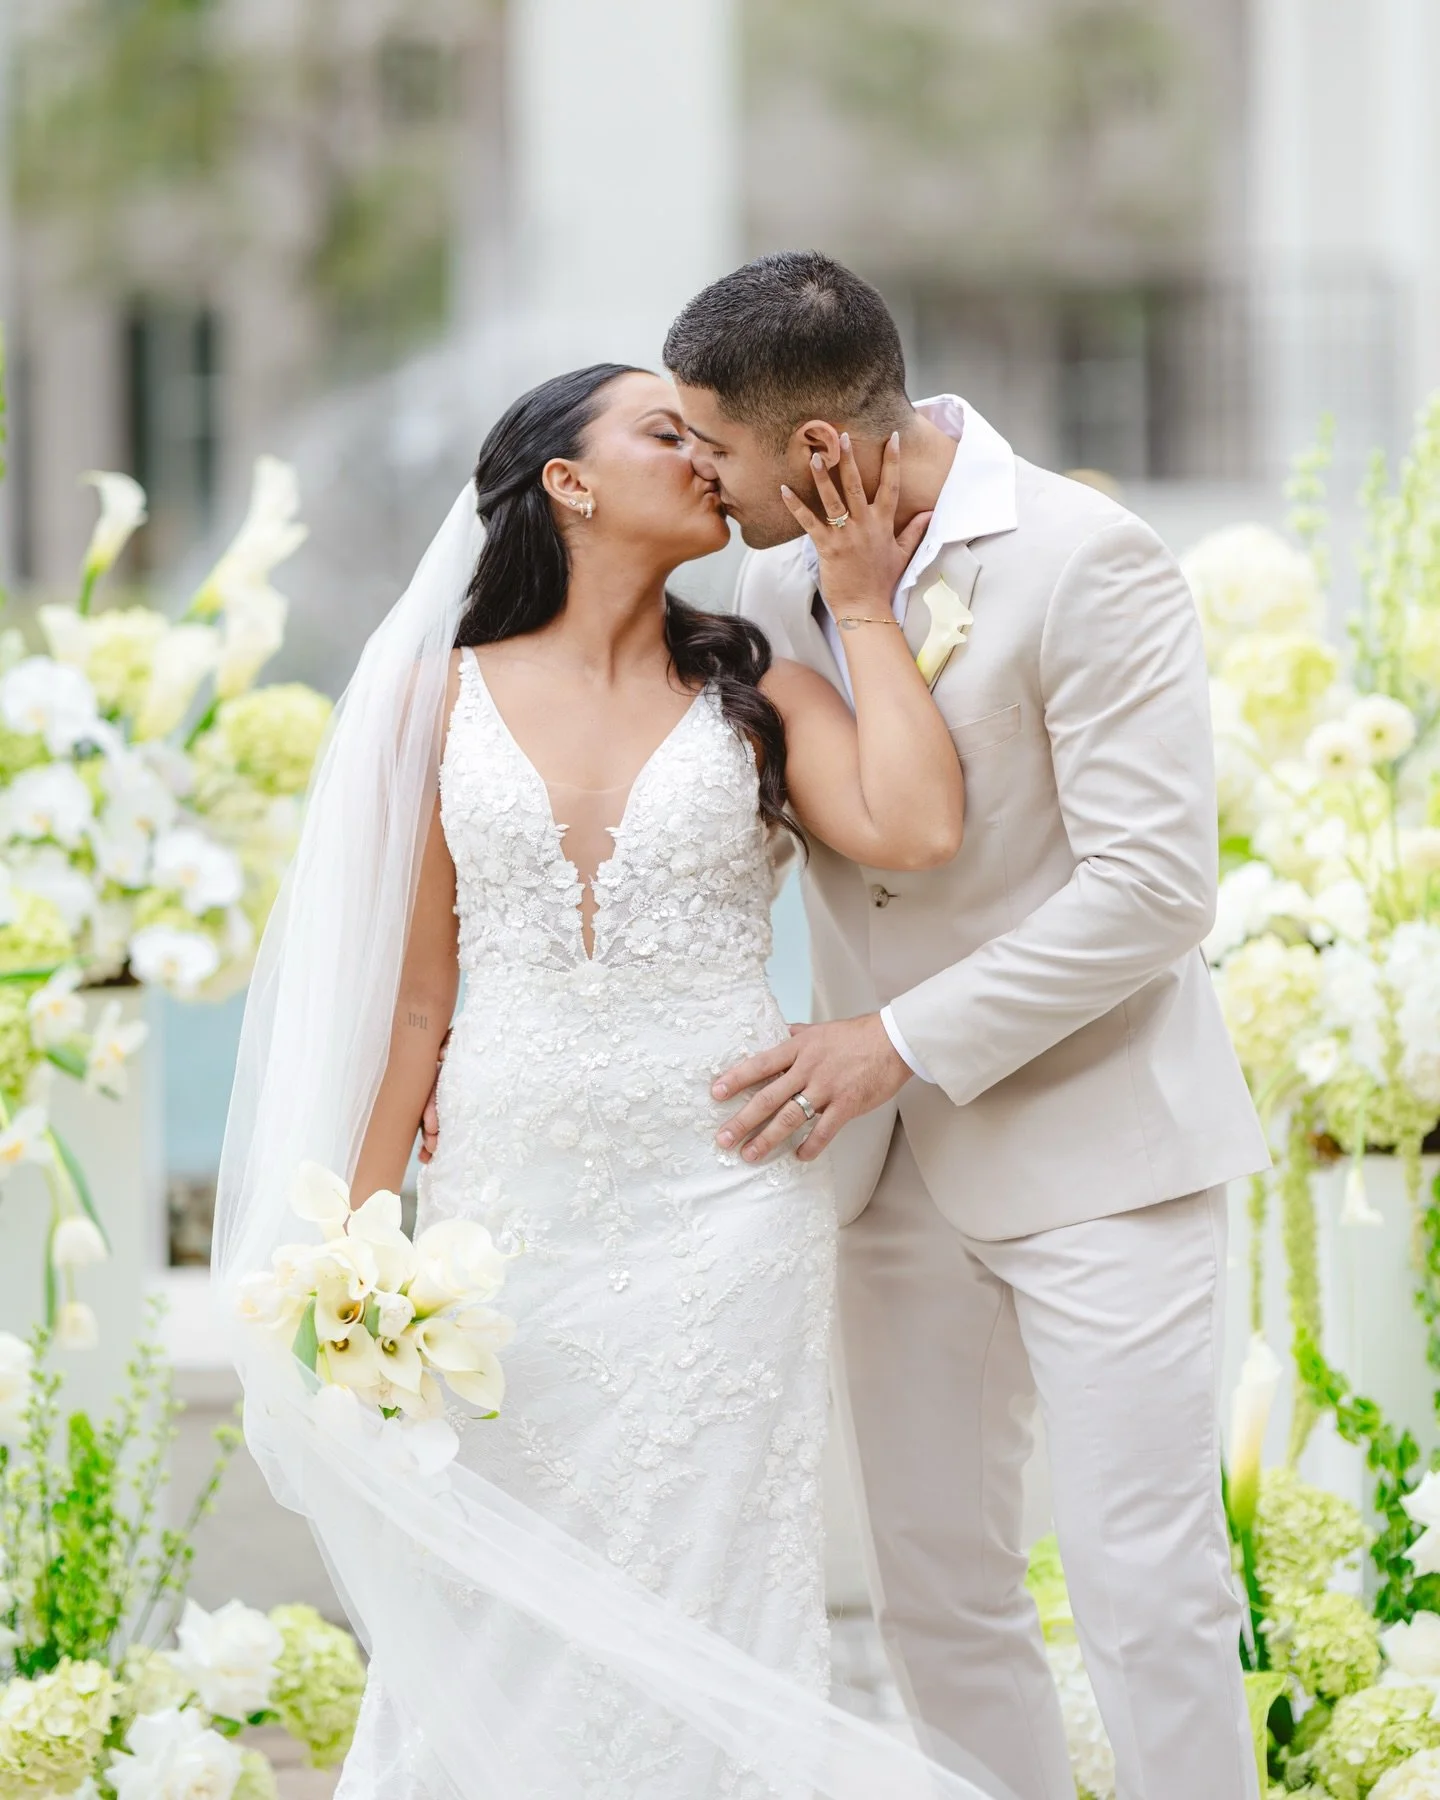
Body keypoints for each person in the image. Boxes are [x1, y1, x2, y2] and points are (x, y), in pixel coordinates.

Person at [216, 359, 1007, 1800]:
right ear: (566, 483)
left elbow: (917, 822)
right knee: (500, 1598)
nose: (708, 456)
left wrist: (865, 597)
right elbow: (413, 1005)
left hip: (726, 1207)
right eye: (668, 433)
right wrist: (358, 1247)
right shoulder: (425, 697)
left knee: (709, 1589)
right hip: (496, 1221)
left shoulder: (759, 683)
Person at [652, 251, 1272, 1800]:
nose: (699, 479)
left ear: (815, 453)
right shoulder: (771, 580)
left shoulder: (1088, 558)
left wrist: (895, 1041)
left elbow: (1153, 893)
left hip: (1100, 1148)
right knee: (935, 1592)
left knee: (1147, 1589)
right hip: (885, 1176)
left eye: (715, 447)